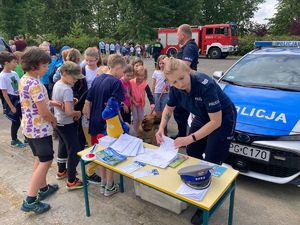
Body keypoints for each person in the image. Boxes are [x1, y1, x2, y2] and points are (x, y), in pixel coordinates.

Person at [155, 58, 236, 225]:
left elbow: (216, 122)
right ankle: (194, 189)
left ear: (188, 71)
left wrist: (189, 138)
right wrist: (161, 128)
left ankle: (205, 206)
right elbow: (168, 108)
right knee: (192, 152)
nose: (179, 84)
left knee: (212, 159)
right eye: (173, 82)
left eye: (181, 78)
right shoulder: (175, 88)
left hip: (222, 117)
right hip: (202, 115)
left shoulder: (205, 85)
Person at [19, 47, 59, 214]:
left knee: (39, 158)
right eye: (44, 65)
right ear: (34, 66)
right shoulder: (35, 84)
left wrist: (54, 103)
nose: (47, 68)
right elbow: (43, 112)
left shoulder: (25, 79)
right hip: (39, 129)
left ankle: (43, 188)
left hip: (28, 127)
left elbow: (37, 103)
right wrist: (54, 119)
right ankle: (30, 200)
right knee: (46, 160)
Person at [83, 54, 126, 196]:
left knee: (100, 155)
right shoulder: (116, 83)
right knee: (111, 157)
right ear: (118, 67)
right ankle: (110, 186)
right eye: (123, 71)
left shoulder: (97, 79)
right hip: (108, 127)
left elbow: (88, 101)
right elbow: (115, 108)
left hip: (94, 124)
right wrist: (123, 125)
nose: (122, 74)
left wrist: (89, 119)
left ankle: (103, 184)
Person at [52, 61, 85, 190]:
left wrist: (71, 102)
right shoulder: (67, 89)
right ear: (65, 73)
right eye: (74, 78)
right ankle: (71, 180)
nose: (76, 81)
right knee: (74, 150)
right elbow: (69, 112)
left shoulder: (58, 84)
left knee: (63, 145)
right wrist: (78, 112)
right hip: (67, 123)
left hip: (59, 122)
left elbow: (61, 103)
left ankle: (61, 171)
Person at [173, 24, 199, 139]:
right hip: (182, 83)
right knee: (180, 111)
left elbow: (185, 66)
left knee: (181, 111)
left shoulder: (189, 47)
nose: (177, 37)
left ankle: (183, 136)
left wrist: (171, 63)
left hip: (186, 84)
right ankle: (182, 134)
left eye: (178, 34)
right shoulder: (187, 46)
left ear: (182, 35)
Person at [0, 51, 26, 148]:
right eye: (14, 62)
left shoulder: (14, 73)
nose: (16, 64)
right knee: (16, 122)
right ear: (6, 63)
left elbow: (20, 86)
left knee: (24, 119)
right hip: (11, 100)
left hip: (19, 98)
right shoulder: (2, 76)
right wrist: (11, 106)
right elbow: (4, 93)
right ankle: (14, 139)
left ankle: (27, 138)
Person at [130, 66, 155, 136]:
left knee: (141, 118)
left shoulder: (145, 84)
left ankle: (140, 131)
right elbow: (127, 93)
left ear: (145, 76)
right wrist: (133, 101)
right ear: (135, 74)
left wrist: (152, 103)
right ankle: (136, 133)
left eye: (142, 76)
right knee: (135, 118)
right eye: (138, 75)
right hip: (133, 103)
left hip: (141, 103)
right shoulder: (131, 82)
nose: (140, 77)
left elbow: (149, 94)